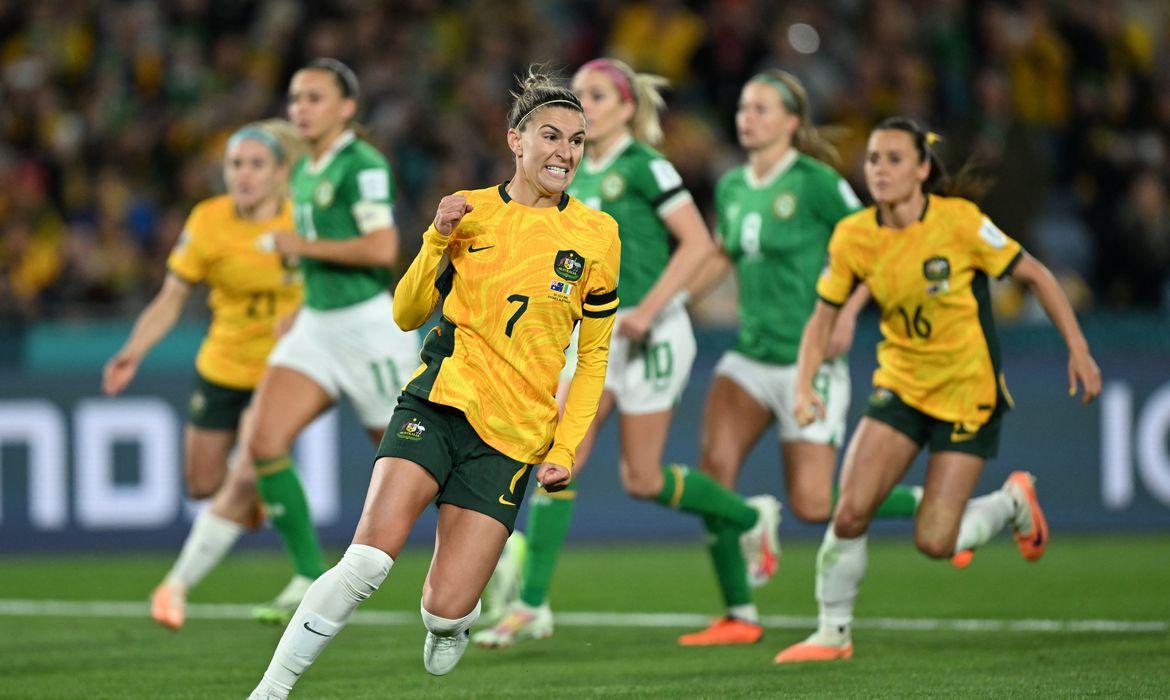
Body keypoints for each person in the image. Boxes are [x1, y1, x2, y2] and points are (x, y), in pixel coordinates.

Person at [247, 67, 620, 698]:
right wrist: (436, 237)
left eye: (576, 141)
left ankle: (451, 623)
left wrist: (563, 447)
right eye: (551, 137)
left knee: (444, 608)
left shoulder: (597, 235)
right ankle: (270, 691)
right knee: (366, 560)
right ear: (516, 141)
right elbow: (406, 312)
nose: (564, 152)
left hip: (514, 436)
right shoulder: (468, 212)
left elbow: (593, 357)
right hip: (439, 400)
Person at [473, 58, 779, 649]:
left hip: (653, 333)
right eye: (578, 95)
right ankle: (532, 605)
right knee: (561, 458)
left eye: (595, 95)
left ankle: (748, 517)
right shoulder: (570, 172)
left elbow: (696, 244)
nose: (583, 105)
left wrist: (652, 309)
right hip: (597, 335)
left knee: (641, 478)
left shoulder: (645, 166)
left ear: (625, 107)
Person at [774, 117, 1101, 664]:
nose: (880, 169)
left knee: (935, 542)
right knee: (850, 510)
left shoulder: (961, 223)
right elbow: (821, 318)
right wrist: (804, 385)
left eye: (894, 159)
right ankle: (832, 633)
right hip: (900, 385)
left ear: (923, 169)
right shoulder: (854, 234)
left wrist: (1079, 348)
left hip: (967, 392)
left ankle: (1010, 502)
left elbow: (1038, 276)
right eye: (874, 159)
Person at [676, 72, 926, 647]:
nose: (747, 117)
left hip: (806, 361)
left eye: (762, 108)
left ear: (792, 121)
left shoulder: (815, 183)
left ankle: (938, 503)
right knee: (715, 472)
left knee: (815, 503)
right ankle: (740, 612)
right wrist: (677, 303)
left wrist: (848, 311)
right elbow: (721, 254)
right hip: (749, 357)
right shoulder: (734, 184)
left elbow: (872, 242)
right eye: (742, 107)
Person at [102, 119, 304, 631]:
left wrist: (303, 317)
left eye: (257, 164)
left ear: (281, 172)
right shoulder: (208, 220)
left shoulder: (303, 217)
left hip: (281, 369)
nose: (245, 175)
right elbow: (171, 299)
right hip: (222, 365)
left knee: (248, 465)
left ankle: (177, 584)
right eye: (237, 165)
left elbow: (340, 282)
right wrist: (133, 351)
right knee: (201, 484)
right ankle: (256, 498)